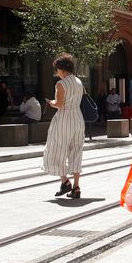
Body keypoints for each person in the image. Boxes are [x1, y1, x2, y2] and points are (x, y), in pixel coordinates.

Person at [42, 54, 86, 199]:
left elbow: (60, 104)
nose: (56, 73)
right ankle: (76, 187)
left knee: (56, 149)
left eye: (57, 70)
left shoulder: (61, 84)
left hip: (64, 119)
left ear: (62, 69)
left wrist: (51, 102)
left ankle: (65, 181)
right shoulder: (79, 82)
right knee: (76, 151)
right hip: (78, 119)